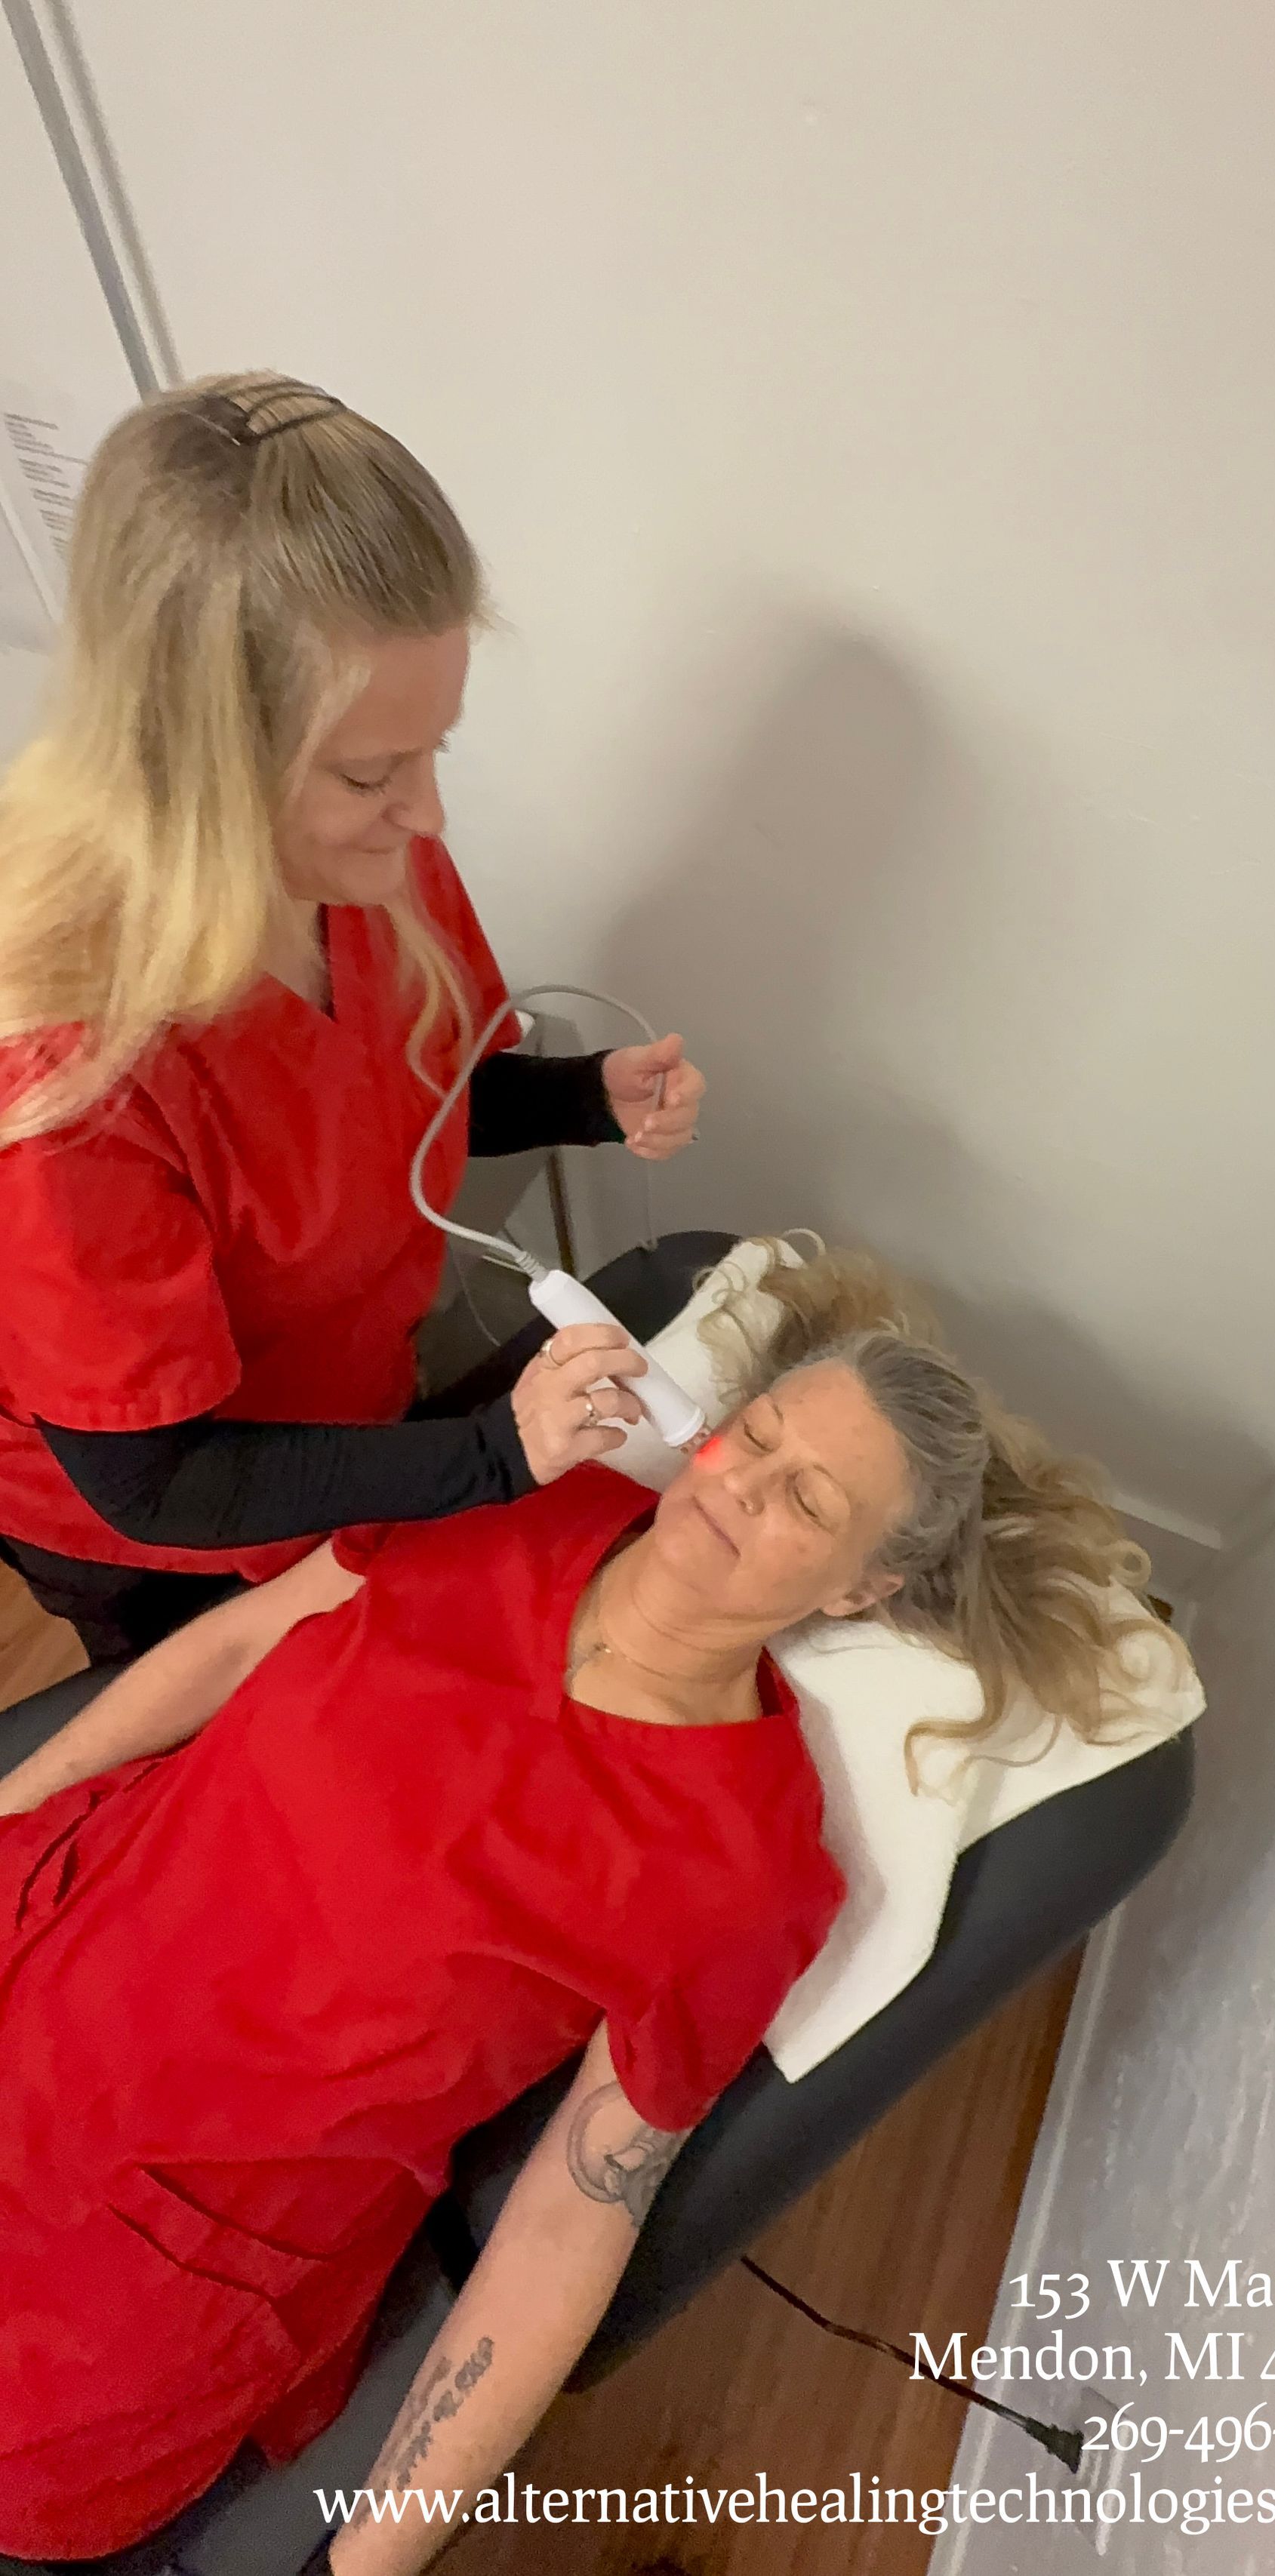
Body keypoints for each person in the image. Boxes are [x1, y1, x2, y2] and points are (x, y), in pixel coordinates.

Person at [0, 1241, 1175, 2572]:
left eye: (807, 1497)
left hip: (140, 2256)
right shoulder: (508, 1497)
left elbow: (576, 2209)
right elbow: (230, 1644)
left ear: (859, 1589)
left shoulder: (746, 1867)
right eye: (755, 1435)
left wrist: (367, 2558)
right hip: (51, 1931)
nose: (740, 1484)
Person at [0, 371, 705, 1666]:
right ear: (197, 757)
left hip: (356, 1406)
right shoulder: (70, 1084)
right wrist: (492, 1455)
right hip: (170, 1528)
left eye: (438, 748)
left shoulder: (366, 863)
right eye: (375, 772)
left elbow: (409, 1091)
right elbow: (155, 1480)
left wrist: (580, 1096)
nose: (427, 816)